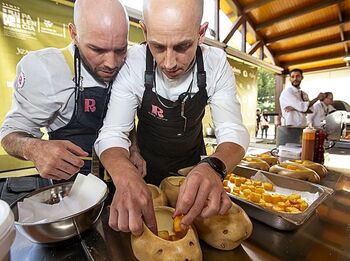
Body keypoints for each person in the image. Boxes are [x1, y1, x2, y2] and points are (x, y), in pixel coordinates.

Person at [95, 0, 249, 236]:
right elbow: (112, 133)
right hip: (146, 168)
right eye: (157, 46)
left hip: (193, 167)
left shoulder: (215, 63)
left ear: (201, 33)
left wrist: (214, 166)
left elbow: (233, 131)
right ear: (145, 31)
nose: (168, 63)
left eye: (182, 46)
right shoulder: (133, 63)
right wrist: (123, 173)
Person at [0, 0, 144, 188]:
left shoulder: (130, 65)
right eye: (97, 50)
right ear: (74, 34)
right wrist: (34, 148)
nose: (111, 63)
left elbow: (124, 116)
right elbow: (9, 135)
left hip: (118, 179)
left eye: (120, 49)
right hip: (71, 185)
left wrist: (133, 148)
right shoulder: (47, 70)